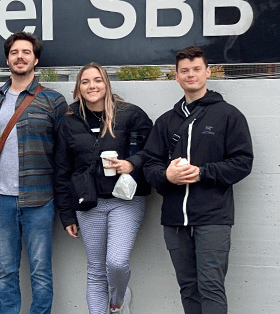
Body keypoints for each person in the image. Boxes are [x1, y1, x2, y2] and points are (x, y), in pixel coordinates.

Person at [144, 46, 253, 314]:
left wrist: (203, 172)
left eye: (196, 69)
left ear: (207, 72)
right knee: (188, 288)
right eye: (184, 71)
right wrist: (166, 176)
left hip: (213, 217)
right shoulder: (165, 121)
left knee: (211, 286)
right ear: (177, 76)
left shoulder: (229, 115)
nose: (190, 75)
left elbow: (243, 163)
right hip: (174, 220)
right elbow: (149, 165)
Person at [0, 32, 67, 314]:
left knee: (40, 272)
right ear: (7, 59)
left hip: (40, 198)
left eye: (26, 52)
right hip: (1, 200)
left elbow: (63, 151)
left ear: (35, 59)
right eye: (15, 52)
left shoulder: (54, 101)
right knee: (6, 272)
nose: (20, 56)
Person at [54, 62, 153, 314]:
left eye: (97, 80)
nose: (92, 86)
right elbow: (63, 172)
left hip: (126, 200)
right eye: (85, 82)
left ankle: (118, 301)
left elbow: (154, 151)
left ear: (106, 84)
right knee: (96, 269)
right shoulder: (69, 121)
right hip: (88, 204)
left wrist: (132, 163)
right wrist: (66, 215)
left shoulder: (131, 114)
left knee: (116, 263)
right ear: (78, 88)